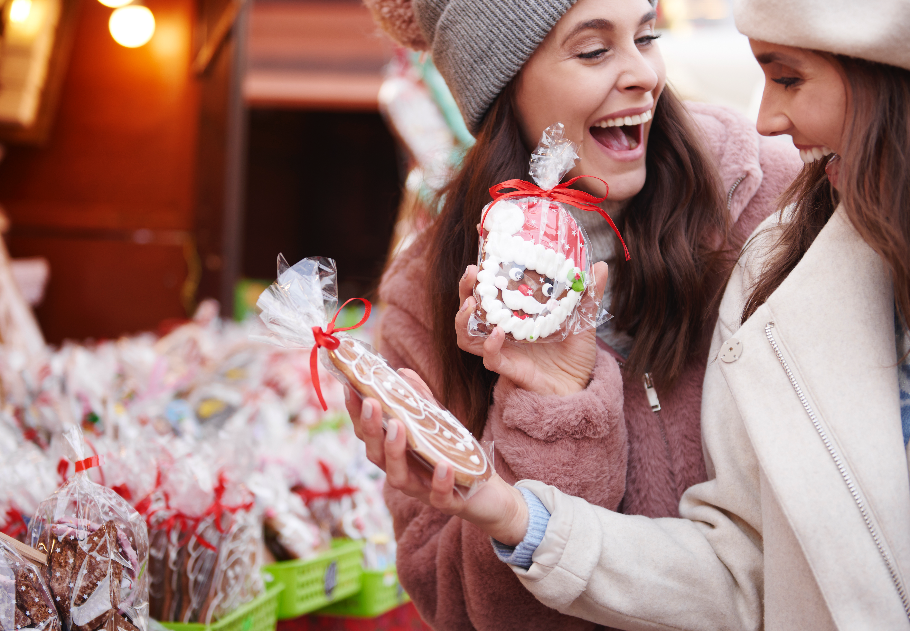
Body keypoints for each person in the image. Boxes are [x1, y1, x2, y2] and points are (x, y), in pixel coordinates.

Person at [357, 0, 910, 628]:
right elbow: (458, 606)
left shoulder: (775, 200)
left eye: (647, 37)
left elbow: (766, 562)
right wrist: (551, 423)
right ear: (500, 85)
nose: (646, 75)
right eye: (594, 50)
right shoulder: (432, 296)